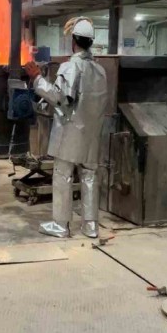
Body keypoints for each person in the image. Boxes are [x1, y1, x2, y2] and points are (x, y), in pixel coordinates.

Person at [24, 17, 108, 238]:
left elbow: (60, 97)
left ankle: (61, 225)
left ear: (74, 41)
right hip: (91, 134)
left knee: (63, 175)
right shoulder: (100, 71)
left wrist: (37, 79)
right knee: (90, 176)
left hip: (70, 131)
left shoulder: (71, 67)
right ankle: (91, 226)